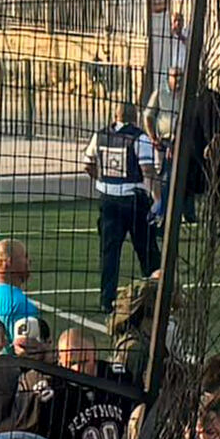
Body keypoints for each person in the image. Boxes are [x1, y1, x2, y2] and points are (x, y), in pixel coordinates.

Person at [85, 102, 163, 315]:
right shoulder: (139, 138)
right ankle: (156, 295)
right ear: (135, 118)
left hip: (108, 200)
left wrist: (101, 181)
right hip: (134, 200)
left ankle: (107, 300)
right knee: (147, 251)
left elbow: (88, 164)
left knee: (109, 253)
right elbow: (147, 170)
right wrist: (157, 199)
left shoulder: (100, 135)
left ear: (115, 116)